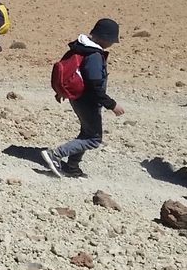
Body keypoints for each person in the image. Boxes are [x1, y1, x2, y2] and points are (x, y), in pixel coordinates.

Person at [40, 18, 124, 177]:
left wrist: (62, 90)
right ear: (104, 38)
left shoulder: (80, 47)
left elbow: (69, 70)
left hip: (77, 97)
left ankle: (72, 167)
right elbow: (94, 86)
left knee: (87, 133)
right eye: (112, 40)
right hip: (87, 100)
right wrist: (112, 105)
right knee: (93, 139)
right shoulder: (93, 55)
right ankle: (55, 154)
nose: (112, 44)